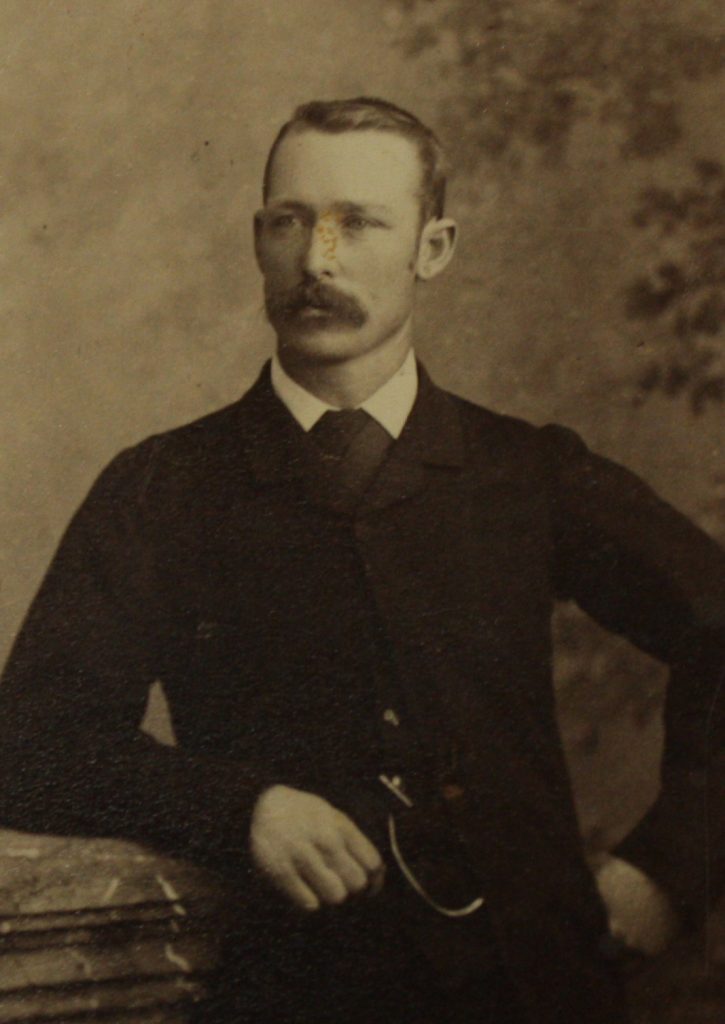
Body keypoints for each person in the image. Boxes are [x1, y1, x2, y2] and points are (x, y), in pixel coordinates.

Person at [0, 97, 723, 1024]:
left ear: (434, 249)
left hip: (538, 991)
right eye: (289, 222)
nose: (317, 262)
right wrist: (240, 807)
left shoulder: (528, 471)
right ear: (258, 240)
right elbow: (32, 743)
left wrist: (671, 865)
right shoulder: (163, 487)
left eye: (360, 223)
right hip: (295, 994)